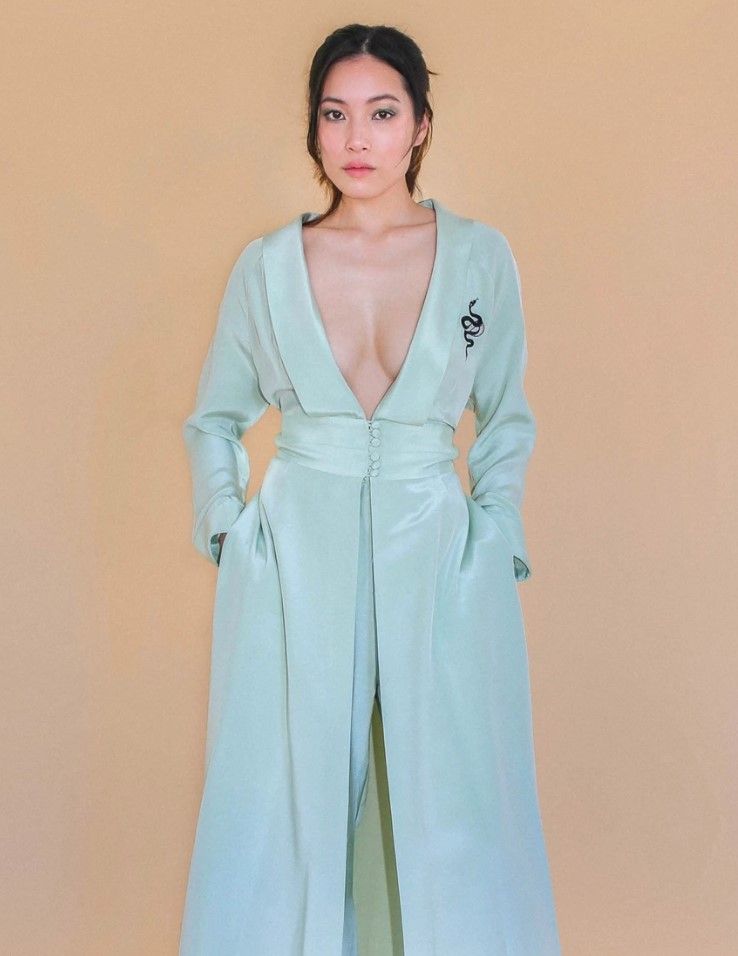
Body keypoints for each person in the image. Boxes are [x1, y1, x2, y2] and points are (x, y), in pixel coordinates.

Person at [178, 22, 561, 956]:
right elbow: (213, 420)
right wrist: (230, 531)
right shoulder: (268, 267)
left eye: (382, 114)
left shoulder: (479, 260)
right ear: (312, 128)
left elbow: (507, 418)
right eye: (335, 114)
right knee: (278, 803)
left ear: (421, 125)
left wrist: (495, 533)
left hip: (440, 553)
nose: (358, 139)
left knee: (458, 803)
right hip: (294, 559)